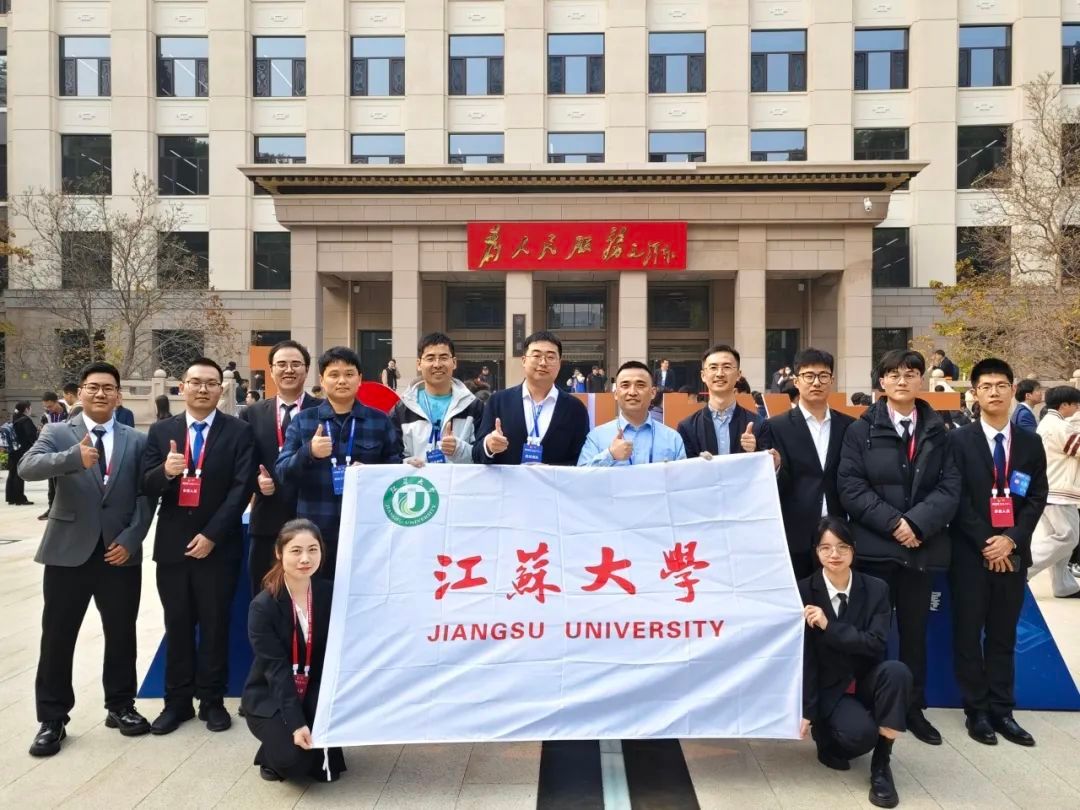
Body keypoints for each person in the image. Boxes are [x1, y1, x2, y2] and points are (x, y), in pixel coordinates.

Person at [20, 362, 155, 756]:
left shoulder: (137, 440)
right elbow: (27, 468)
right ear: (80, 392)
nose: (100, 393)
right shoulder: (58, 432)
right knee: (58, 636)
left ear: (118, 395)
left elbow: (146, 494)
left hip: (118, 553)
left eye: (108, 388)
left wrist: (132, 537)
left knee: (121, 633)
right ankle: (52, 718)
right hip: (67, 553)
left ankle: (121, 706)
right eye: (93, 387)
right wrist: (71, 458)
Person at [837, 348, 961, 746]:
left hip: (920, 550)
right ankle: (869, 703)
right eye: (893, 374)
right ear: (882, 382)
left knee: (914, 633)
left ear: (922, 380)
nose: (902, 380)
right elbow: (851, 486)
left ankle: (912, 707)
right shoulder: (861, 430)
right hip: (875, 550)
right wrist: (895, 523)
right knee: (871, 634)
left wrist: (917, 524)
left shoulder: (940, 430)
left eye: (910, 373)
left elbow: (950, 487)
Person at [142, 357, 256, 735]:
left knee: (214, 624)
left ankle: (212, 700)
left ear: (221, 389)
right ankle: (176, 703)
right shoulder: (161, 431)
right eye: (195, 382)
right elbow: (146, 484)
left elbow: (241, 488)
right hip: (173, 547)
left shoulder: (239, 431)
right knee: (177, 625)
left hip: (218, 547)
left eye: (210, 383)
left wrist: (212, 535)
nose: (203, 389)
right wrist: (166, 472)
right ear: (183, 387)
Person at [948, 358, 1048, 747]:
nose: (994, 392)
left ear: (1012, 390)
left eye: (1001, 385)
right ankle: (976, 711)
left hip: (1013, 554)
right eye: (986, 386)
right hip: (971, 555)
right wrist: (989, 542)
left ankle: (1003, 710)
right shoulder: (958, 441)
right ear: (975, 393)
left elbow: (1036, 495)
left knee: (1004, 635)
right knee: (968, 634)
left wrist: (1012, 539)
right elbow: (955, 498)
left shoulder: (1030, 442)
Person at [800, 517, 909, 809]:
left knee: (897, 672)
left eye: (842, 547)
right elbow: (805, 658)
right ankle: (827, 736)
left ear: (853, 549)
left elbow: (876, 643)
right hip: (829, 687)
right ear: (816, 551)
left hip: (863, 679)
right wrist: (807, 710)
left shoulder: (876, 588)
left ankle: (881, 766)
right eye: (825, 548)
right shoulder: (804, 591)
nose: (834, 554)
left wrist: (829, 626)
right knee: (858, 737)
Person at [276, 346, 403, 580]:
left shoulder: (379, 421)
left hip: (366, 532)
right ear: (322, 380)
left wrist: (371, 474)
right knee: (319, 596)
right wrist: (308, 452)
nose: (342, 380)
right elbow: (282, 473)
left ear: (359, 379)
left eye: (349, 374)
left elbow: (395, 471)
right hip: (315, 534)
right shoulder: (304, 421)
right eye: (334, 375)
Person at [243, 519, 345, 783]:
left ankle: (309, 739)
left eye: (313, 549)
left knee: (326, 773)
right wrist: (297, 724)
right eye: (296, 551)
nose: (305, 559)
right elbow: (276, 672)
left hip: (313, 689)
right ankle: (270, 752)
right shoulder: (263, 606)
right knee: (292, 762)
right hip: (272, 695)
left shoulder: (330, 593)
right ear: (279, 553)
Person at [759, 349, 855, 579]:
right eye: (809, 376)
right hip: (795, 534)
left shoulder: (850, 426)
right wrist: (776, 467)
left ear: (832, 380)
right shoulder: (775, 427)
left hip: (839, 533)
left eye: (823, 376)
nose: (816, 383)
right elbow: (767, 486)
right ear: (796, 381)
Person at [241, 340, 320, 597]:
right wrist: (256, 482)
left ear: (306, 370)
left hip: (311, 514)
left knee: (312, 595)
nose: (289, 370)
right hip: (267, 517)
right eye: (282, 364)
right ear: (271, 370)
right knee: (264, 593)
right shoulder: (252, 414)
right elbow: (244, 462)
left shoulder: (322, 411)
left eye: (296, 364)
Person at [472, 331, 590, 466]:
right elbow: (476, 454)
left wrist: (550, 471)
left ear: (559, 364)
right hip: (508, 480)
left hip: (553, 480)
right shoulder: (498, 401)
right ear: (524, 360)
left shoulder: (575, 408)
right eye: (536, 356)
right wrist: (489, 446)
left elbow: (581, 461)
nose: (543, 363)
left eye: (550, 357)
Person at [392, 332, 484, 467]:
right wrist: (405, 463)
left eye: (443, 358)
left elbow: (483, 455)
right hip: (417, 480)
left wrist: (459, 450)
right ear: (419, 364)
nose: (437, 364)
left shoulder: (474, 407)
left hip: (459, 481)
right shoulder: (402, 409)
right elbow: (391, 455)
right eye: (430, 358)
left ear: (454, 362)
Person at [578, 361, 686, 466]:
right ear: (616, 394)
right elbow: (581, 476)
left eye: (640, 385)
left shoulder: (673, 439)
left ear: (653, 393)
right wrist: (610, 455)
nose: (632, 392)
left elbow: (684, 476)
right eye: (625, 386)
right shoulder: (596, 437)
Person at [1027, 385, 1080, 599]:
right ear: (1064, 405)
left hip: (1051, 487)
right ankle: (1022, 568)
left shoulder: (1048, 423)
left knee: (1060, 539)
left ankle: (1063, 585)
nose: (1077, 408)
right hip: (1059, 489)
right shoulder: (1059, 426)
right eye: (1075, 404)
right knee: (1067, 537)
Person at [678, 344, 759, 458]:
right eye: (713, 367)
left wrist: (755, 451)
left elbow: (767, 464)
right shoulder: (687, 427)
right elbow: (684, 466)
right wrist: (698, 463)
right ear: (703, 375)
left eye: (727, 367)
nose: (720, 374)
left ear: (738, 375)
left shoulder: (759, 425)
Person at [40, 392, 68, 520]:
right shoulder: (46, 416)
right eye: (46, 407)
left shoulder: (68, 413)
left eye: (50, 406)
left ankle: (64, 509)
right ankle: (51, 508)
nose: (48, 409)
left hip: (66, 451)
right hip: (51, 452)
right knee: (51, 483)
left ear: (57, 402)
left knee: (65, 483)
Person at [6, 401, 38, 505]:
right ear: (26, 409)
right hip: (22, 450)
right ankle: (19, 498)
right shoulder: (25, 420)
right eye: (30, 407)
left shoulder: (15, 418)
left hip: (13, 449)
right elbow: (31, 435)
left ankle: (11, 498)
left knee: (12, 473)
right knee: (19, 473)